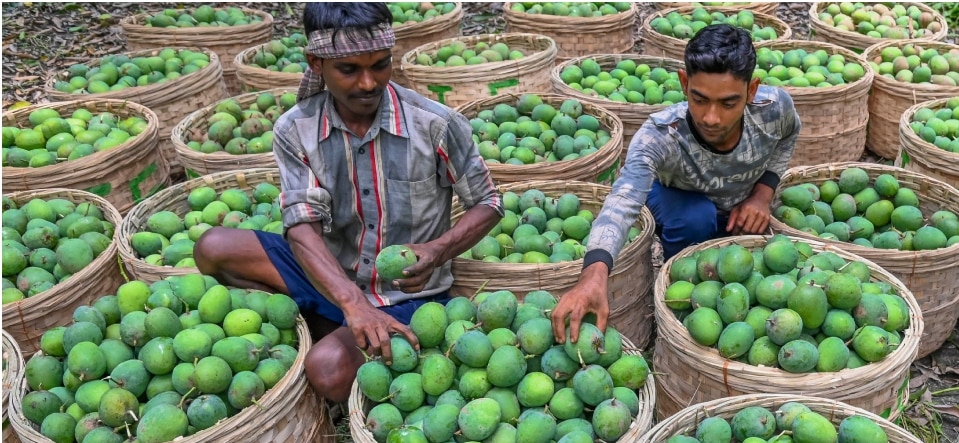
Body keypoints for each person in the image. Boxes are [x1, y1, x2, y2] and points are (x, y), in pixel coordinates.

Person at [196, 2, 503, 403]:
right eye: (349, 69)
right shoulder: (296, 129)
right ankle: (334, 325)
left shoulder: (435, 124)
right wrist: (351, 302)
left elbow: (489, 201)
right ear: (316, 63)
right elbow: (301, 226)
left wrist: (436, 250)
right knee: (213, 247)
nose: (368, 83)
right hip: (333, 277)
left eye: (380, 65)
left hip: (408, 295)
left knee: (328, 370)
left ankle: (368, 339)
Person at [551, 23, 799, 343]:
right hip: (675, 197)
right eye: (699, 99)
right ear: (684, 83)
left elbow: (789, 135)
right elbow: (622, 202)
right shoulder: (661, 135)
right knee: (696, 217)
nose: (711, 117)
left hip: (737, 204)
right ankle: (681, 300)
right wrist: (593, 273)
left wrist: (763, 194)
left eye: (728, 103)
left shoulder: (773, 109)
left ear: (751, 91)